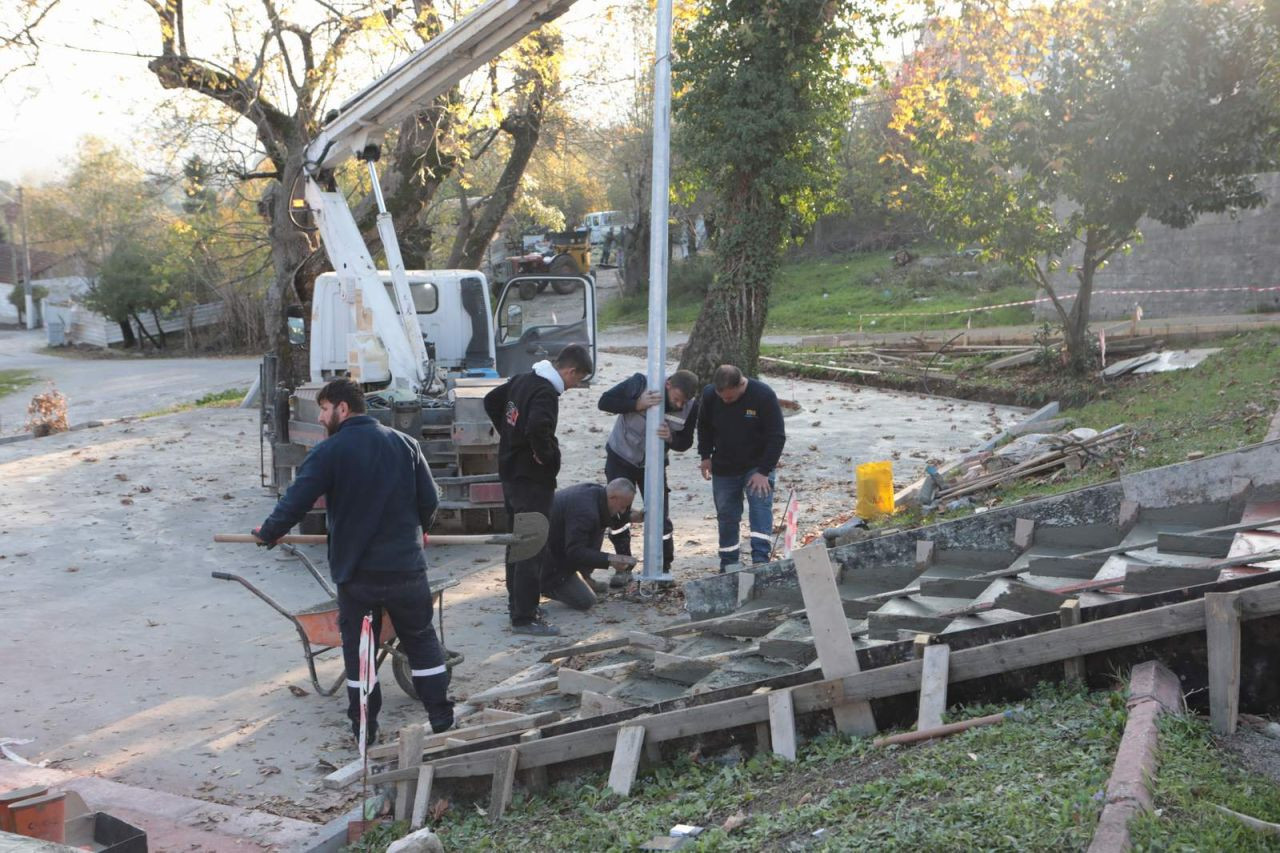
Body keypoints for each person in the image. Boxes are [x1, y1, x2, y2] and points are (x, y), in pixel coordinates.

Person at [252, 378, 453, 745]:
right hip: (407, 569)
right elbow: (430, 499)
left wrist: (269, 532)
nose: (321, 418)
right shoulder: (405, 443)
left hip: (358, 574)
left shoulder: (330, 451)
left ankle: (365, 730)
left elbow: (298, 498)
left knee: (360, 653)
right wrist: (419, 530)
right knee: (423, 641)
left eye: (324, 410)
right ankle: (441, 718)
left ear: (342, 408)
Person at [483, 343, 594, 636]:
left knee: (515, 541)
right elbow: (538, 428)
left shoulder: (522, 379)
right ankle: (524, 617)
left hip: (510, 474)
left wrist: (510, 436)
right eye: (577, 379)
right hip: (532, 480)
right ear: (570, 370)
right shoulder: (545, 392)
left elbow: (492, 401)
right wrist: (546, 458)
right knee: (532, 545)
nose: (574, 386)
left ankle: (518, 605)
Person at [597, 369, 700, 585]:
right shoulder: (640, 383)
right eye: (677, 399)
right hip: (621, 457)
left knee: (659, 515)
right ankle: (624, 567)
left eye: (684, 402)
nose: (680, 405)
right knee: (618, 515)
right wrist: (636, 404)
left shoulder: (691, 407)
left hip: (653, 464)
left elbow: (686, 442)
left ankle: (663, 568)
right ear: (668, 384)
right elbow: (605, 402)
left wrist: (671, 438)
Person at [696, 364, 787, 571]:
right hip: (724, 467)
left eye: (730, 397)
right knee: (727, 515)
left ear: (741, 384)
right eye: (722, 398)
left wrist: (764, 471)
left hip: (757, 465)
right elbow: (704, 426)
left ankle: (760, 561)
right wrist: (705, 455)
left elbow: (777, 436)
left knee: (760, 510)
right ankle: (729, 563)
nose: (726, 401)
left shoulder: (763, 395)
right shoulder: (710, 395)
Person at [540, 479, 639, 610]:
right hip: (545, 560)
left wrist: (630, 517)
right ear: (613, 497)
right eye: (622, 507)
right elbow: (575, 551)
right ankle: (543, 586)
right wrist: (609, 560)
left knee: (598, 526)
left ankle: (584, 577)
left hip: (557, 547)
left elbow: (607, 518)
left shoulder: (597, 494)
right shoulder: (585, 512)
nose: (623, 511)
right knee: (586, 601)